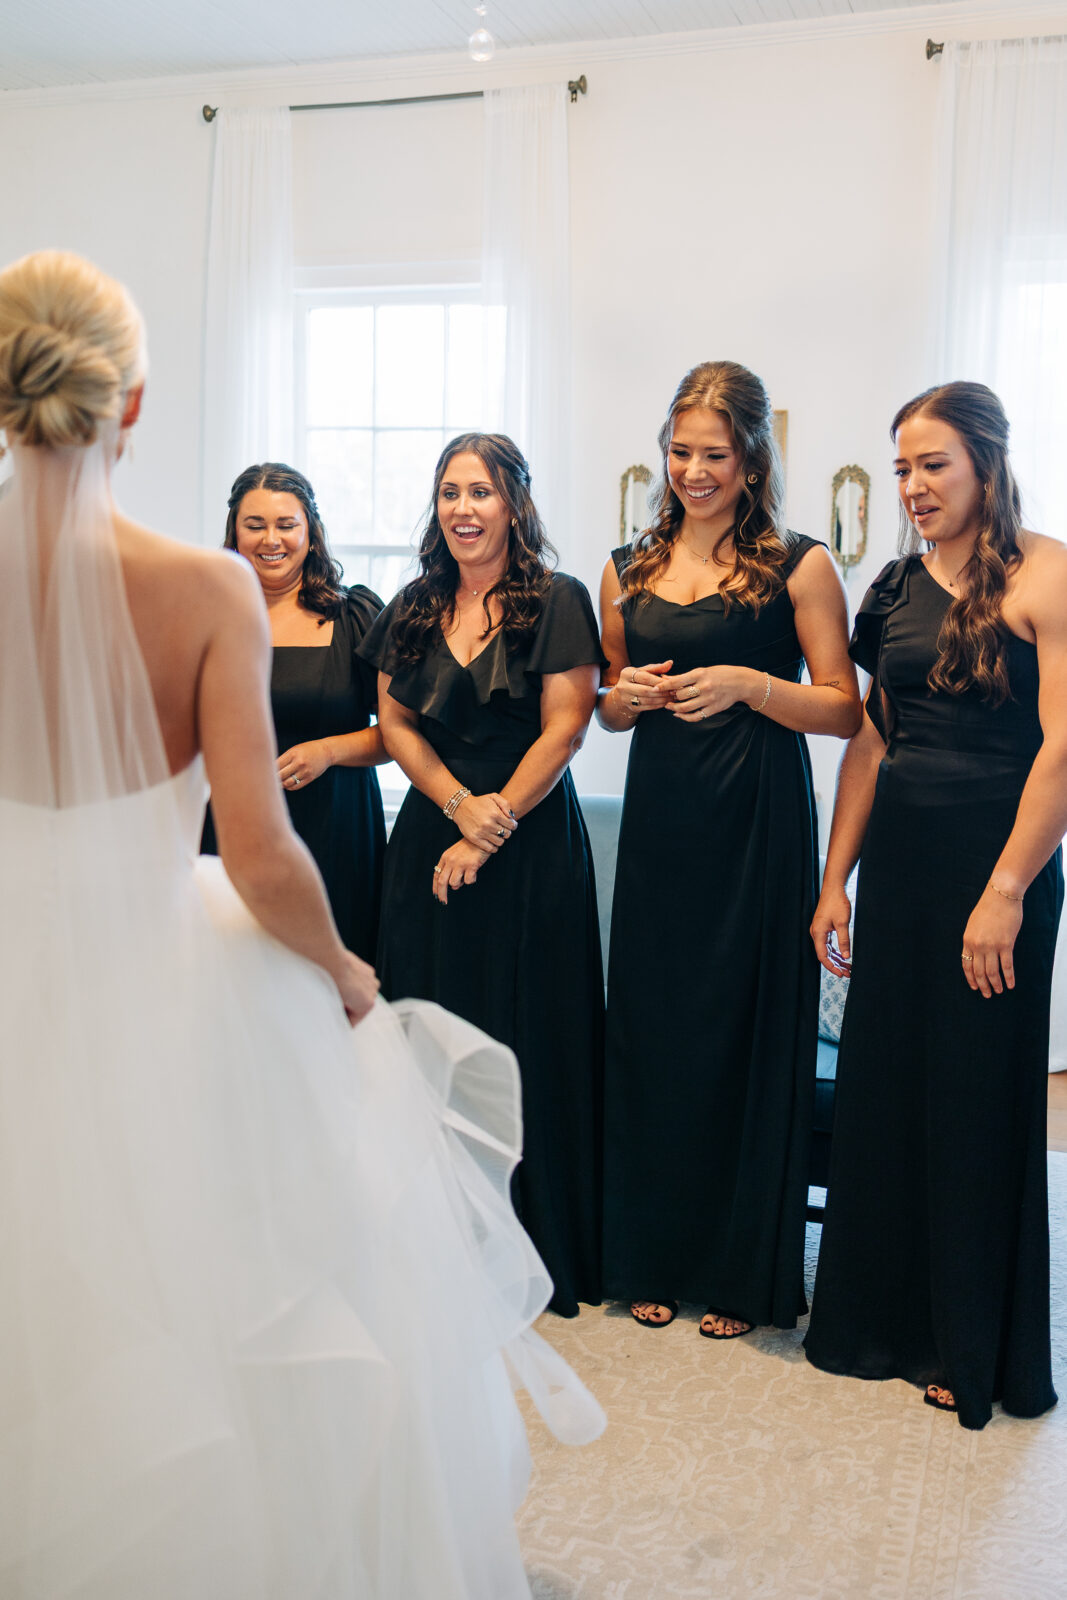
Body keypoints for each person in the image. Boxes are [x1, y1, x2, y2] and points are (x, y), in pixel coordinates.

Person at [0, 249, 603, 1597]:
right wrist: (337, 967)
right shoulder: (195, 586)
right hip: (158, 975)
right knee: (219, 1281)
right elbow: (260, 855)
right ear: (133, 405)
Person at [805, 381, 1067, 1429]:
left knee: (971, 1101)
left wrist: (1003, 889)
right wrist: (834, 880)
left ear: (985, 466)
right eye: (901, 466)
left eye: (932, 466)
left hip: (993, 869)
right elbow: (872, 739)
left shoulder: (1044, 575)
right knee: (886, 1090)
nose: (912, 486)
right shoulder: (893, 588)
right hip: (902, 870)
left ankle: (968, 1338)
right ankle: (875, 1323)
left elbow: (1062, 748)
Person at [598, 360, 861, 1338]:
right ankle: (653, 1254)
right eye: (678, 450)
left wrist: (751, 688)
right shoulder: (622, 570)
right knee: (657, 1033)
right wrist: (617, 702)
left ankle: (741, 1273)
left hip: (757, 821)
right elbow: (608, 702)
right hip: (662, 826)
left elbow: (841, 707)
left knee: (744, 1033)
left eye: (713, 453)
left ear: (751, 460)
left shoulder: (800, 564)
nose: (693, 470)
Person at [359, 433, 605, 1318]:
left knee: (525, 1034)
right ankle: (434, 1246)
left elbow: (565, 729)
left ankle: (536, 1248)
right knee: (426, 1035)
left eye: (482, 492)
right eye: (450, 492)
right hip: (430, 836)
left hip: (529, 843)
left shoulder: (558, 600)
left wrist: (489, 824)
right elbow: (393, 725)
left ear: (514, 503)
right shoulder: (414, 604)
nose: (464, 508)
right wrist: (457, 806)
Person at [200, 463, 386, 963]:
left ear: (311, 531)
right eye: (254, 525)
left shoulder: (358, 616)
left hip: (339, 827)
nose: (271, 540)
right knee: (237, 976)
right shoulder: (207, 615)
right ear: (234, 532)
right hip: (236, 827)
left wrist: (328, 751)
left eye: (286, 524)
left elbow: (400, 736)